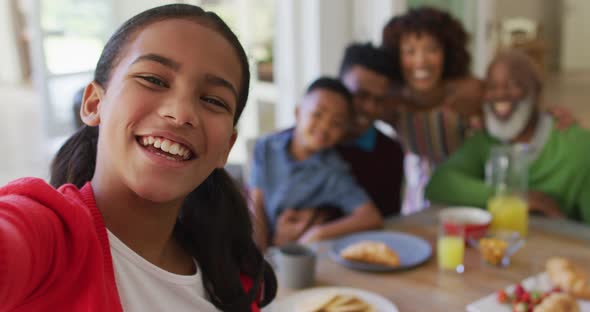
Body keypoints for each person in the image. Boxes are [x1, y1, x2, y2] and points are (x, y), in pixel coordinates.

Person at [1, 4, 276, 312]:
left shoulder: (229, 275)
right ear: (94, 104)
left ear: (226, 147)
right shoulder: (46, 237)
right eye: (153, 80)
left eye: (213, 100)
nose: (181, 113)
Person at [425, 50, 590, 225]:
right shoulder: (484, 140)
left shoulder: (577, 145)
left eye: (514, 85)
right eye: (492, 86)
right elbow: (440, 184)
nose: (500, 94)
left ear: (536, 91)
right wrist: (520, 198)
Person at [249, 77, 383, 250]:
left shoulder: (334, 170)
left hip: (298, 252)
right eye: (317, 114)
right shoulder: (266, 146)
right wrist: (259, 252)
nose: (324, 127)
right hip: (259, 243)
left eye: (336, 123)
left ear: (343, 132)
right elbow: (255, 205)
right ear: (298, 112)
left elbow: (371, 217)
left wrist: (317, 233)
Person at [336, 43, 405, 217]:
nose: (370, 108)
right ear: (339, 85)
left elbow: (388, 224)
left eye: (379, 100)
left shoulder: (391, 154)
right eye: (360, 95)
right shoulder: (304, 142)